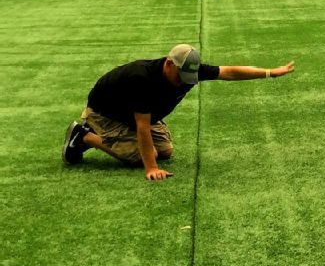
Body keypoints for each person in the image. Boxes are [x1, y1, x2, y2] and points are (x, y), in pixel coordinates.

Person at [62, 44, 295, 179]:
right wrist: (151, 168)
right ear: (169, 64)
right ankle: (83, 136)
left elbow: (230, 72)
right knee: (142, 156)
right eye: (180, 76)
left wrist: (270, 73)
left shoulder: (188, 69)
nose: (184, 82)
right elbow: (142, 126)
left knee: (166, 151)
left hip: (140, 114)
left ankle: (103, 140)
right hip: (106, 113)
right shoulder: (141, 79)